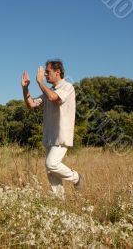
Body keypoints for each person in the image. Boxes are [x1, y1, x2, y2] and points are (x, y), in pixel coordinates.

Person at [21, 60, 84, 199]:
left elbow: (53, 97)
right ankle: (60, 201)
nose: (45, 74)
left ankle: (76, 178)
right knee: (51, 172)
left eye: (47, 72)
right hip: (49, 136)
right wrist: (25, 88)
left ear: (58, 72)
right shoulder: (49, 91)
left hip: (61, 135)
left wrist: (39, 82)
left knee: (51, 164)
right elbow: (31, 104)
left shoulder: (67, 87)